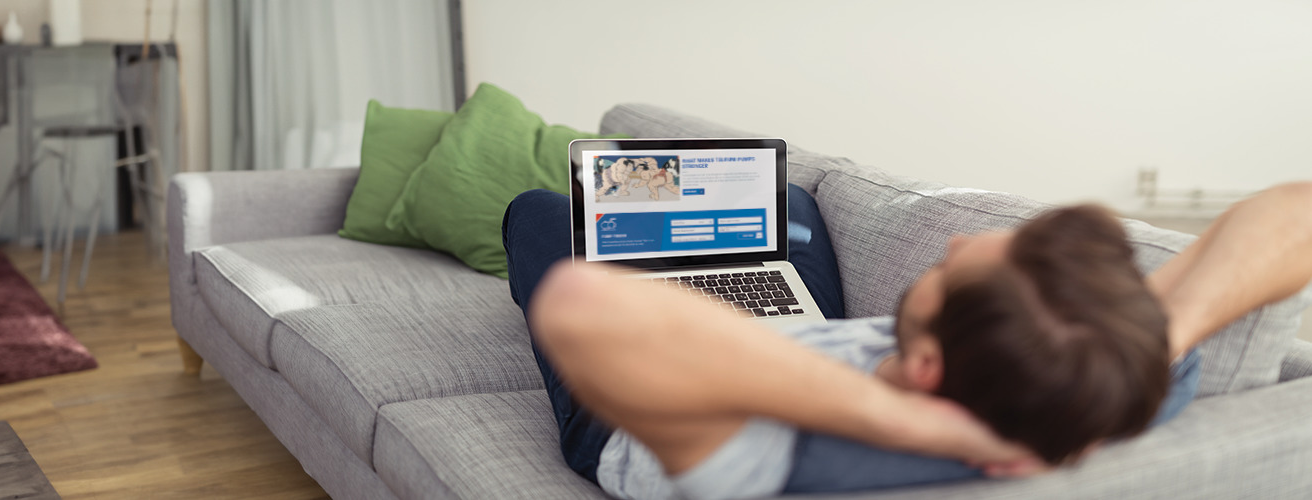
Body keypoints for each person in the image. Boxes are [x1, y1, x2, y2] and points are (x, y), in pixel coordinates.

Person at [502, 180, 1312, 499]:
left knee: (540, 212)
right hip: (807, 338)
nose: (954, 244)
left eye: (950, 269)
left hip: (641, 398)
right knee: (788, 202)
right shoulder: (1095, 374)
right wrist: (1158, 336)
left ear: (926, 369)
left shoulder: (777, 456)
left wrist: (909, 423)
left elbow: (583, 308)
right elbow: (1299, 210)